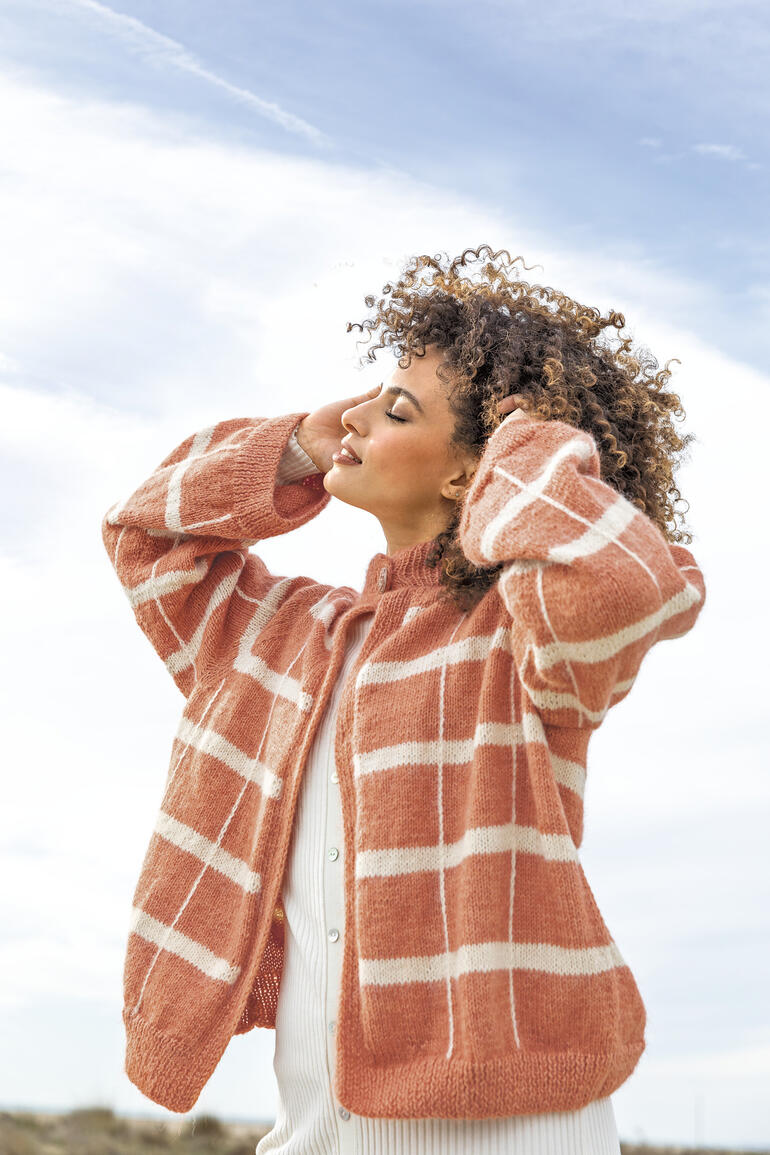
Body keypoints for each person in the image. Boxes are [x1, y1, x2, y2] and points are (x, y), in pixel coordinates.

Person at [101, 245, 706, 1153]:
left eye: (396, 410)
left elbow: (623, 583)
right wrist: (296, 448)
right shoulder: (277, 636)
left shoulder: (521, 637)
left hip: (517, 1129)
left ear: (472, 474)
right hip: (318, 1127)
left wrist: (518, 449)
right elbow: (145, 534)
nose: (356, 416)